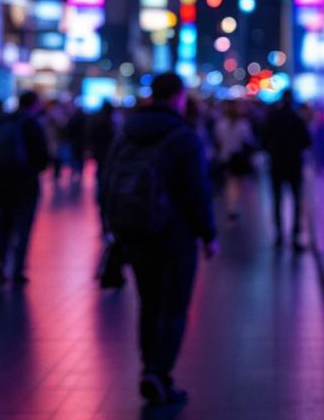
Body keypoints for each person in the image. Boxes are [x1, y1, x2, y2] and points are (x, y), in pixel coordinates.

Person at [102, 73, 216, 407]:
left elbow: (106, 179)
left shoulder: (126, 133)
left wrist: (111, 226)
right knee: (175, 307)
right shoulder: (183, 136)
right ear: (178, 97)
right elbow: (197, 191)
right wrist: (208, 234)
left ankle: (147, 369)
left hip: (135, 233)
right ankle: (159, 372)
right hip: (176, 236)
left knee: (148, 304)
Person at [0, 91, 49, 283]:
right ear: (34, 103)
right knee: (23, 227)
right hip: (26, 182)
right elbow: (42, 156)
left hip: (2, 182)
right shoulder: (32, 124)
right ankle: (18, 269)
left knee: (3, 224)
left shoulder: (2, 121)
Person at [262, 90, 312, 250]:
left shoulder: (272, 118)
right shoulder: (297, 119)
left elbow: (263, 140)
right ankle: (295, 236)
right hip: (294, 166)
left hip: (276, 165)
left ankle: (279, 235)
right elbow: (307, 142)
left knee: (277, 200)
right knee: (296, 201)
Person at [212, 100, 256, 221]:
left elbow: (217, 141)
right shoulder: (243, 124)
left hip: (226, 157)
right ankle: (240, 206)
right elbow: (249, 141)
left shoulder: (220, 124)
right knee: (239, 183)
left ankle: (233, 207)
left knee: (231, 183)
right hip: (238, 158)